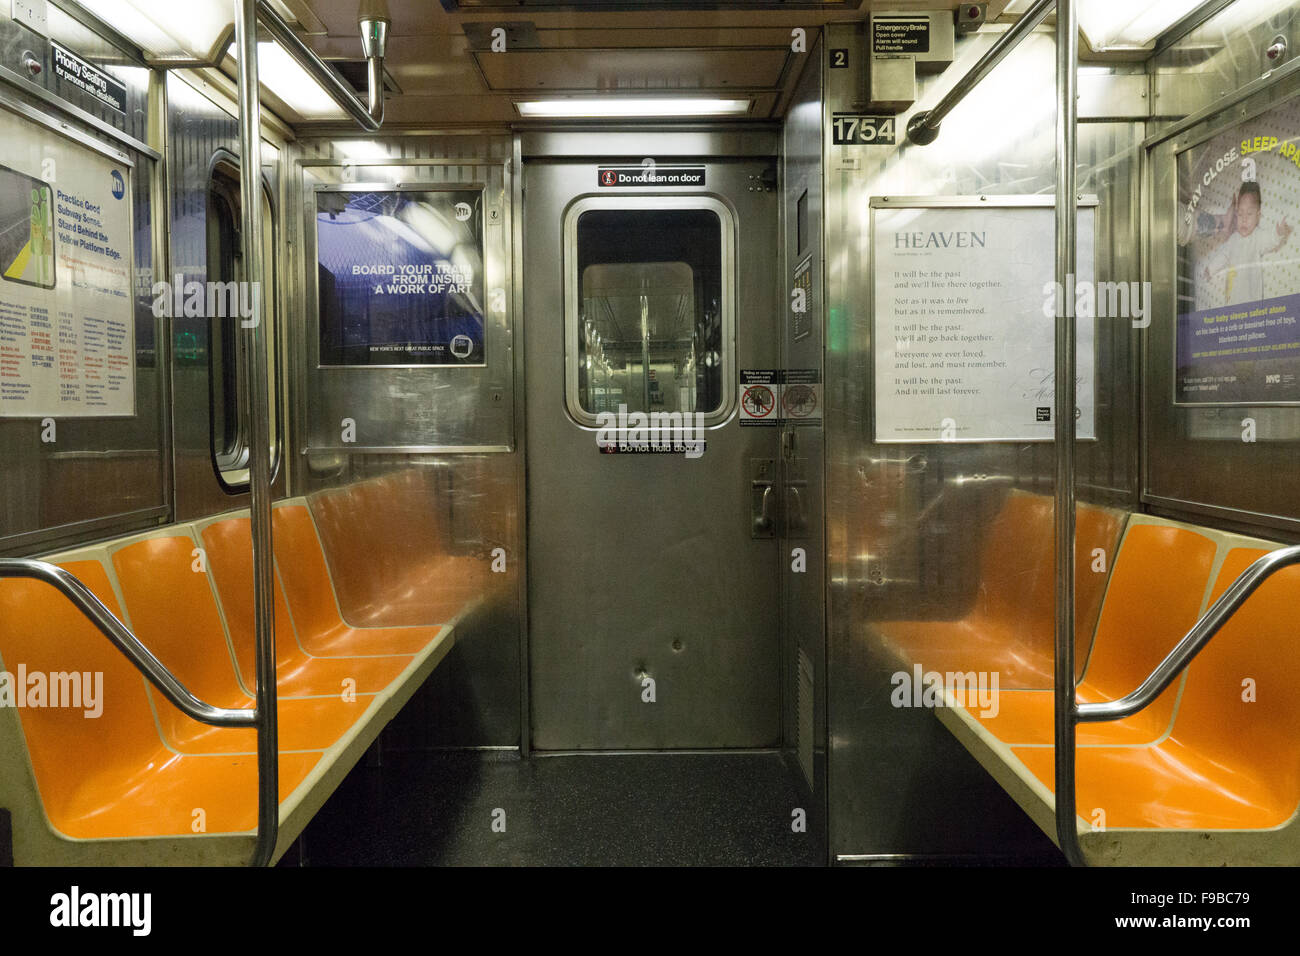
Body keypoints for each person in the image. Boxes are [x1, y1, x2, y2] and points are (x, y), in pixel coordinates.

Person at [1202, 181, 1293, 306]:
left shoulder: (1257, 236)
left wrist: (1278, 232)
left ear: (1258, 216)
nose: (1244, 219)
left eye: (1249, 214)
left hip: (1251, 302)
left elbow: (1269, 240)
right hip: (1231, 301)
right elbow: (1222, 256)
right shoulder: (1233, 239)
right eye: (1240, 213)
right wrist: (1210, 269)